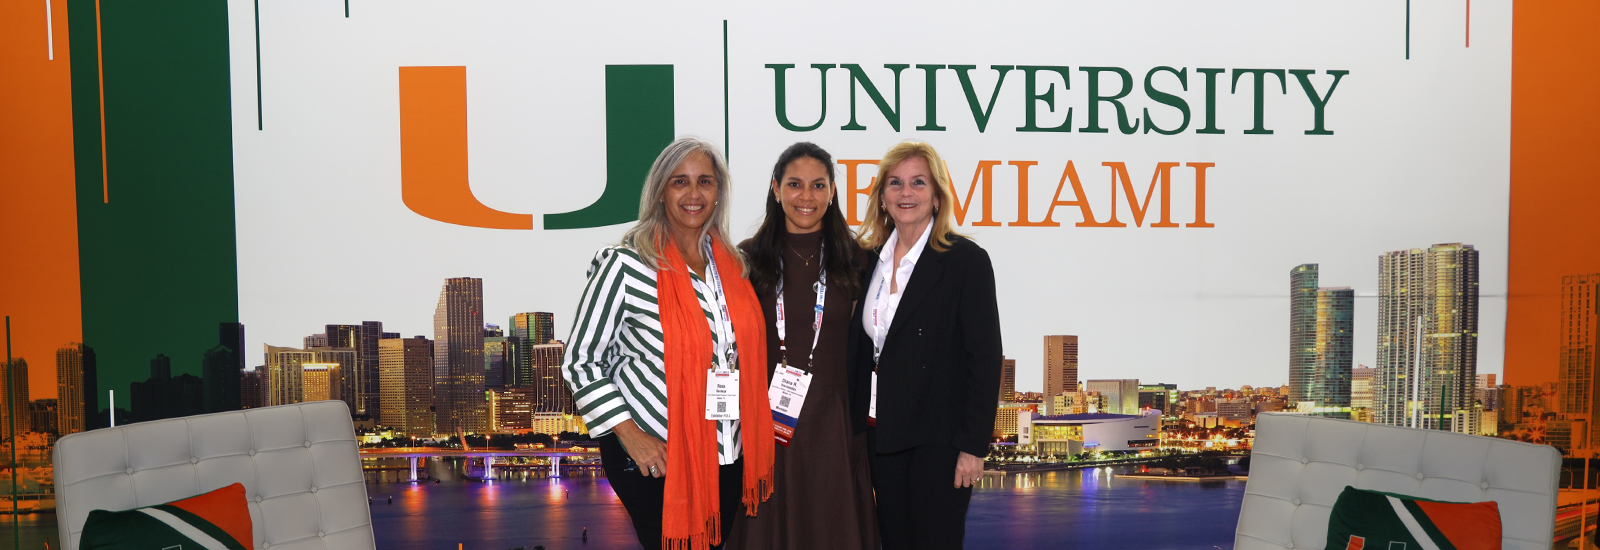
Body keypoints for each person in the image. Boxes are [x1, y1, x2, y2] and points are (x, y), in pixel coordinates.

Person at [563, 137, 775, 550]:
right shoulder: (624, 264)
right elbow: (580, 360)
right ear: (661, 191)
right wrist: (630, 434)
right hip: (654, 455)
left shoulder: (733, 268)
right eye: (680, 182)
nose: (694, 194)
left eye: (705, 182)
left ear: (719, 193)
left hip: (727, 452)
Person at [846, 141, 1003, 550]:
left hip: (940, 442)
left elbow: (985, 358)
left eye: (918, 182)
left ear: (937, 195)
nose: (906, 193)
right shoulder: (868, 262)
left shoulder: (965, 260)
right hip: (881, 434)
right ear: (882, 197)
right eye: (895, 183)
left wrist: (973, 447)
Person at [728, 143, 878, 549]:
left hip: (835, 429)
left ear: (832, 193)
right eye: (795, 184)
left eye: (818, 185)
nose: (806, 197)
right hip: (766, 426)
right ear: (776, 189)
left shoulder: (861, 261)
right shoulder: (745, 261)